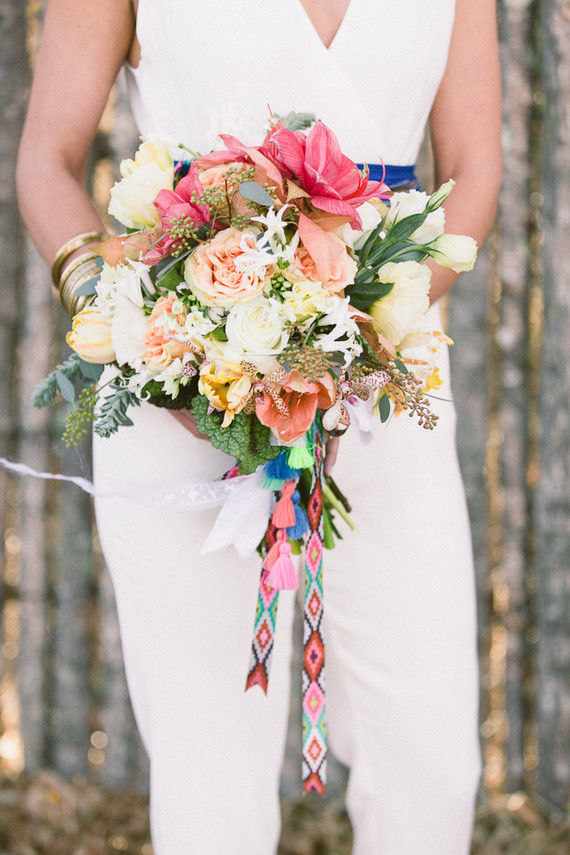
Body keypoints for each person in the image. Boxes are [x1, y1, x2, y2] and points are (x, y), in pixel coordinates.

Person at [17, 1, 502, 853]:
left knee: (430, 762)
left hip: (390, 388)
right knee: (211, 789)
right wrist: (144, 332)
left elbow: (475, 171)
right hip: (184, 392)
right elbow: (46, 163)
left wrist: (352, 342)